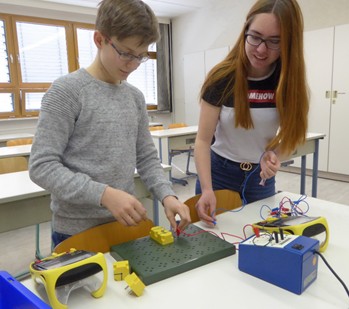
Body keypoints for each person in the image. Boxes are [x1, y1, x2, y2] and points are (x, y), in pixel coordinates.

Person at [29, 0, 191, 247]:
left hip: (125, 227)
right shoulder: (67, 92)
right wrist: (104, 195)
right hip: (75, 232)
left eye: (141, 56)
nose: (133, 65)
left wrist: (167, 195)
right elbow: (42, 166)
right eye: (126, 53)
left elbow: (146, 158)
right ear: (99, 39)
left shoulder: (134, 97)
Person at [194, 0, 309, 226]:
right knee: (213, 240)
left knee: (259, 240)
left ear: (288, 43)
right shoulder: (222, 78)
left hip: (261, 180)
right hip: (218, 174)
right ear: (245, 31)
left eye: (274, 41)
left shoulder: (287, 82)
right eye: (255, 36)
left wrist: (275, 155)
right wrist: (206, 188)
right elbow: (202, 140)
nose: (261, 49)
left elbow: (292, 135)